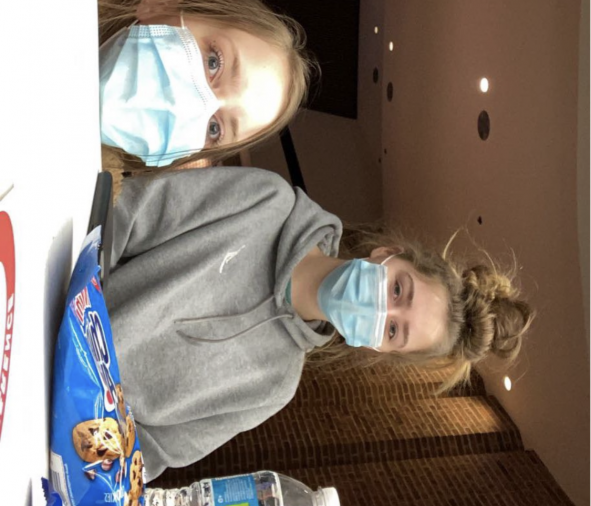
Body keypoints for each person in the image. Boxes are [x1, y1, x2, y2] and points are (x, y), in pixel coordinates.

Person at [107, 166, 534, 482]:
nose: (381, 310)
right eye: (398, 290)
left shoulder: (273, 386)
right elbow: (125, 217)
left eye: (393, 331)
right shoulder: (267, 204)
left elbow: (148, 453)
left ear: (376, 348)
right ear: (387, 252)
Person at [97, 0, 313, 202]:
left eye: (214, 128)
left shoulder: (91, 199)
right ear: (160, 4)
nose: (195, 106)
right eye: (213, 62)